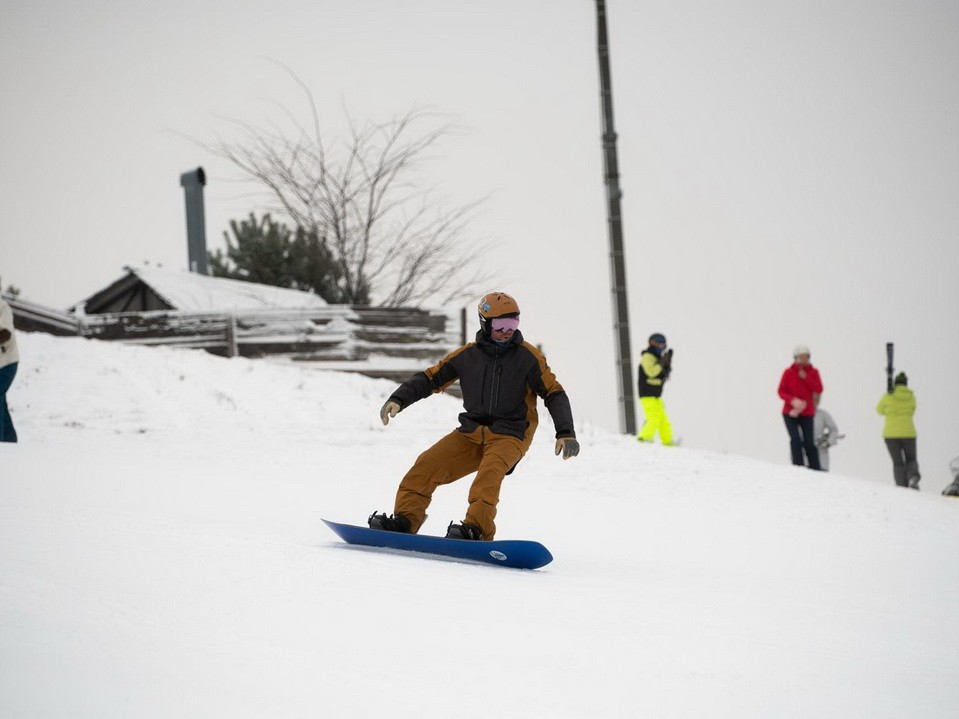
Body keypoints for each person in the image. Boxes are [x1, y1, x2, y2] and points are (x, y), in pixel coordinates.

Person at [369, 292, 579, 541]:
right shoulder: (467, 356)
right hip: (469, 434)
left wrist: (565, 432)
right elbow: (430, 378)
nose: (507, 331)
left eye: (513, 324)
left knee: (487, 478)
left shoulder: (528, 357)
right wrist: (399, 398)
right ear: (484, 323)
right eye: (501, 325)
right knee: (425, 466)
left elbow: (554, 393)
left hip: (510, 434)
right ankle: (404, 521)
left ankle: (476, 529)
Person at [777, 344, 822, 470]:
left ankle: (815, 469)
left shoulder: (814, 372)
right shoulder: (788, 372)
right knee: (795, 440)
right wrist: (792, 400)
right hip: (789, 412)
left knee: (809, 442)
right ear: (795, 358)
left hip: (807, 413)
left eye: (805, 357)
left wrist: (806, 377)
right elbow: (781, 391)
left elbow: (819, 388)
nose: (803, 360)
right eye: (800, 357)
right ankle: (798, 468)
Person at [876, 372, 920, 489]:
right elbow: (912, 411)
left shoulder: (888, 395)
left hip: (890, 434)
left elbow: (879, 410)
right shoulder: (911, 397)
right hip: (908, 432)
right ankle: (912, 478)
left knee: (897, 462)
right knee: (911, 459)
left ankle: (901, 486)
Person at [636, 332, 675, 445]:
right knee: (653, 418)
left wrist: (666, 366)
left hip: (656, 395)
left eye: (664, 346)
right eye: (660, 345)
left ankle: (667, 441)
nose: (662, 348)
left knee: (663, 420)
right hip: (647, 394)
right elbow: (651, 372)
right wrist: (661, 364)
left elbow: (662, 376)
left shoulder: (657, 358)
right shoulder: (647, 357)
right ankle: (644, 438)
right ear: (653, 344)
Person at [0, 297, 19, 443]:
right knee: (1, 402)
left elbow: (5, 334)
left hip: (7, 363)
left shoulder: (2, 307)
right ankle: (9, 442)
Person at [813, 407, 842, 471]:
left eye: (818, 397)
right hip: (803, 461)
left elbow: (834, 430)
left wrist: (828, 442)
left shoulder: (822, 414)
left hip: (821, 461)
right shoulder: (799, 414)